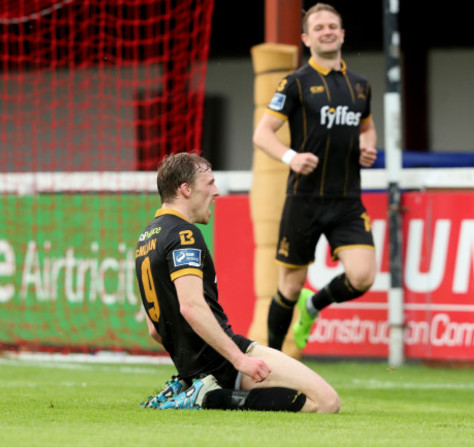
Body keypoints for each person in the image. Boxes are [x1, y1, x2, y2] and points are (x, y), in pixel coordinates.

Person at [135, 152, 340, 412]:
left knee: (296, 400)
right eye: (209, 183)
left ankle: (197, 391)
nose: (216, 191)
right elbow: (191, 306)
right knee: (327, 402)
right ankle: (204, 397)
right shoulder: (183, 234)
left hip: (196, 368)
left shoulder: (145, 239)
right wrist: (239, 359)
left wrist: (192, 362)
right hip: (223, 360)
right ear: (185, 189)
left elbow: (155, 329)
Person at [252, 3, 378, 352]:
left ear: (342, 33)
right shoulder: (295, 82)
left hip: (347, 202)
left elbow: (368, 129)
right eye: (319, 27)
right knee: (289, 288)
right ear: (307, 38)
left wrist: (369, 147)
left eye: (332, 26)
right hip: (303, 201)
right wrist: (291, 157)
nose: (327, 31)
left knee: (363, 276)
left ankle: (314, 305)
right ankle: (274, 361)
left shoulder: (361, 86)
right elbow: (262, 134)